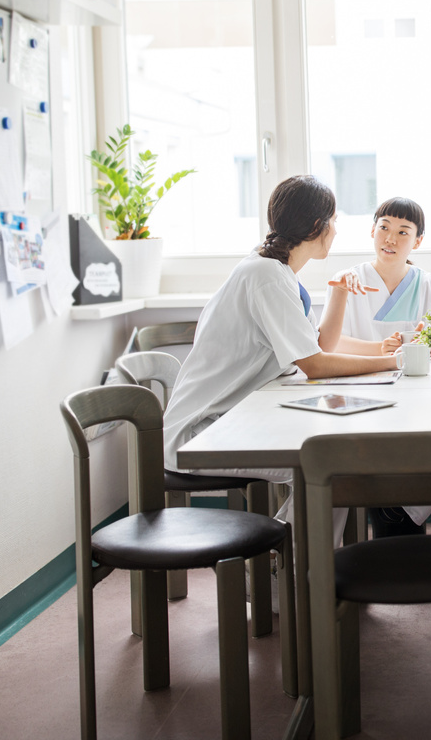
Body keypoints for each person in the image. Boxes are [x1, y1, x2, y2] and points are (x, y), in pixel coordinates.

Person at [163, 175, 401, 542]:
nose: (336, 230)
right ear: (317, 227)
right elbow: (316, 364)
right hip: (203, 432)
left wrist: (337, 293)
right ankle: (288, 572)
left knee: (336, 452)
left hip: (236, 417)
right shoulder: (267, 276)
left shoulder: (277, 271)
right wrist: (391, 362)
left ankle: (298, 567)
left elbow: (319, 346)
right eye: (334, 221)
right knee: (329, 465)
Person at [316, 196, 431, 536]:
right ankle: (391, 515)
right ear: (373, 231)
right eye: (384, 228)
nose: (391, 239)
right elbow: (329, 343)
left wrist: (426, 342)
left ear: (417, 241)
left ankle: (398, 512)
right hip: (357, 390)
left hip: (418, 394)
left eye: (403, 232)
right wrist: (379, 348)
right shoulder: (348, 280)